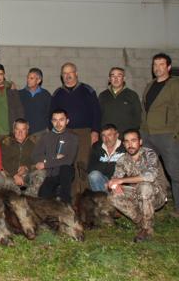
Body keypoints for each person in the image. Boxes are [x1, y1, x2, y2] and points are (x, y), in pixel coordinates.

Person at [141, 53, 179, 218]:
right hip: (149, 136)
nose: (157, 68)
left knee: (176, 172)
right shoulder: (150, 86)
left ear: (168, 67)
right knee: (150, 172)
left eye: (161, 64)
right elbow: (145, 111)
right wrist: (142, 133)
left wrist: (177, 137)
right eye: (155, 64)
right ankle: (153, 203)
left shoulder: (175, 85)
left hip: (168, 136)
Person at [50, 62, 102, 195]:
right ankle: (72, 197)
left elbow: (97, 112)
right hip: (65, 134)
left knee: (82, 164)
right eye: (64, 73)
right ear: (62, 76)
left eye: (70, 72)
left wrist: (95, 131)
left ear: (76, 73)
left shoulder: (88, 90)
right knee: (67, 165)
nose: (67, 75)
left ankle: (84, 196)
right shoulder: (57, 93)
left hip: (84, 133)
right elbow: (50, 115)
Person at [107, 129, 168, 242]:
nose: (130, 145)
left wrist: (121, 180)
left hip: (156, 195)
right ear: (124, 144)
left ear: (140, 142)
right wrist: (114, 185)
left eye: (133, 141)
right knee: (112, 197)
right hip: (137, 194)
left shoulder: (149, 154)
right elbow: (115, 179)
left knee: (144, 186)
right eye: (127, 142)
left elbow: (150, 176)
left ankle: (146, 229)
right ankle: (142, 222)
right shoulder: (122, 160)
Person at [32, 109, 78, 204]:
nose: (58, 123)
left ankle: (66, 204)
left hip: (66, 173)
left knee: (66, 169)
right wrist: (53, 157)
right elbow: (35, 155)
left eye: (61, 120)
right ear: (51, 121)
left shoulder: (73, 137)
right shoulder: (45, 137)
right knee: (42, 196)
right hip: (51, 173)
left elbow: (69, 160)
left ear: (67, 121)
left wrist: (45, 164)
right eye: (55, 120)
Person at [0, 119, 45, 196]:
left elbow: (35, 160)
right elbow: (3, 161)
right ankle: (19, 197)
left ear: (27, 130)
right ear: (14, 130)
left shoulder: (33, 143)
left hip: (27, 174)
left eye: (23, 129)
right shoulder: (6, 142)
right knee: (6, 182)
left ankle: (30, 198)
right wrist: (15, 175)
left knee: (42, 173)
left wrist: (26, 167)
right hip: (10, 175)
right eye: (17, 129)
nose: (20, 133)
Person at [98, 67, 141, 135]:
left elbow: (138, 117)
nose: (116, 78)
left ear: (124, 78)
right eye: (113, 76)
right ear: (109, 79)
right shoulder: (103, 95)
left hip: (125, 136)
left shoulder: (132, 95)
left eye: (119, 76)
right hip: (108, 137)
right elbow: (98, 116)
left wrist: (131, 133)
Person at [0, 64, 24, 140]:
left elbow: (19, 109)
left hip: (9, 133)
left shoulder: (11, 89)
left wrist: (18, 128)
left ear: (4, 75)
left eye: (0, 74)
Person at [87, 124, 126, 193]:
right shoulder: (97, 146)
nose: (106, 139)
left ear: (117, 135)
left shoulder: (124, 147)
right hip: (103, 181)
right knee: (94, 175)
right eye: (103, 136)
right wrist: (111, 163)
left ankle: (106, 201)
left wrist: (114, 181)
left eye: (109, 135)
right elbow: (90, 168)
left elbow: (128, 169)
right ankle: (102, 201)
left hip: (120, 181)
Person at [18, 67, 51, 140]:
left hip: (41, 133)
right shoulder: (20, 94)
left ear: (38, 80)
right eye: (28, 78)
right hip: (24, 133)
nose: (28, 80)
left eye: (31, 78)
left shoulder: (46, 95)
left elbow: (50, 113)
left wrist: (48, 128)